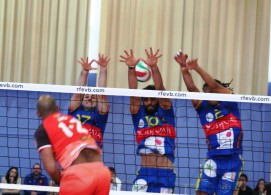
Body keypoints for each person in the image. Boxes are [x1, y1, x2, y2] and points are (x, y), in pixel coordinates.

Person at [175, 51, 243, 195]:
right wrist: (183, 68)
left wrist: (197, 68)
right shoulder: (203, 107)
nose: (208, 93)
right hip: (213, 159)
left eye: (212, 90)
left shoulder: (230, 102)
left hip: (232, 161)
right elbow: (191, 88)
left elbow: (213, 84)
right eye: (206, 91)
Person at [120, 48, 176, 193]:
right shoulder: (138, 114)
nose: (149, 102)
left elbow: (160, 88)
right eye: (146, 99)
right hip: (145, 173)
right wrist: (131, 68)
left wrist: (154, 67)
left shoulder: (166, 110)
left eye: (152, 98)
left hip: (166, 174)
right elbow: (133, 91)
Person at [34, 95, 111, 195]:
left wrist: (64, 182)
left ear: (38, 113)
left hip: (77, 177)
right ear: (58, 109)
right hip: (102, 173)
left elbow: (51, 168)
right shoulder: (72, 120)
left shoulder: (42, 130)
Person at [68, 53, 110, 147]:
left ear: (97, 102)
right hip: (75, 148)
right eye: (86, 96)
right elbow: (78, 91)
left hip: (93, 150)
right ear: (82, 100)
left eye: (93, 97)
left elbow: (101, 93)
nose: (90, 98)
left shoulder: (100, 114)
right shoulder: (75, 109)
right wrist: (85, 71)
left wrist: (103, 69)